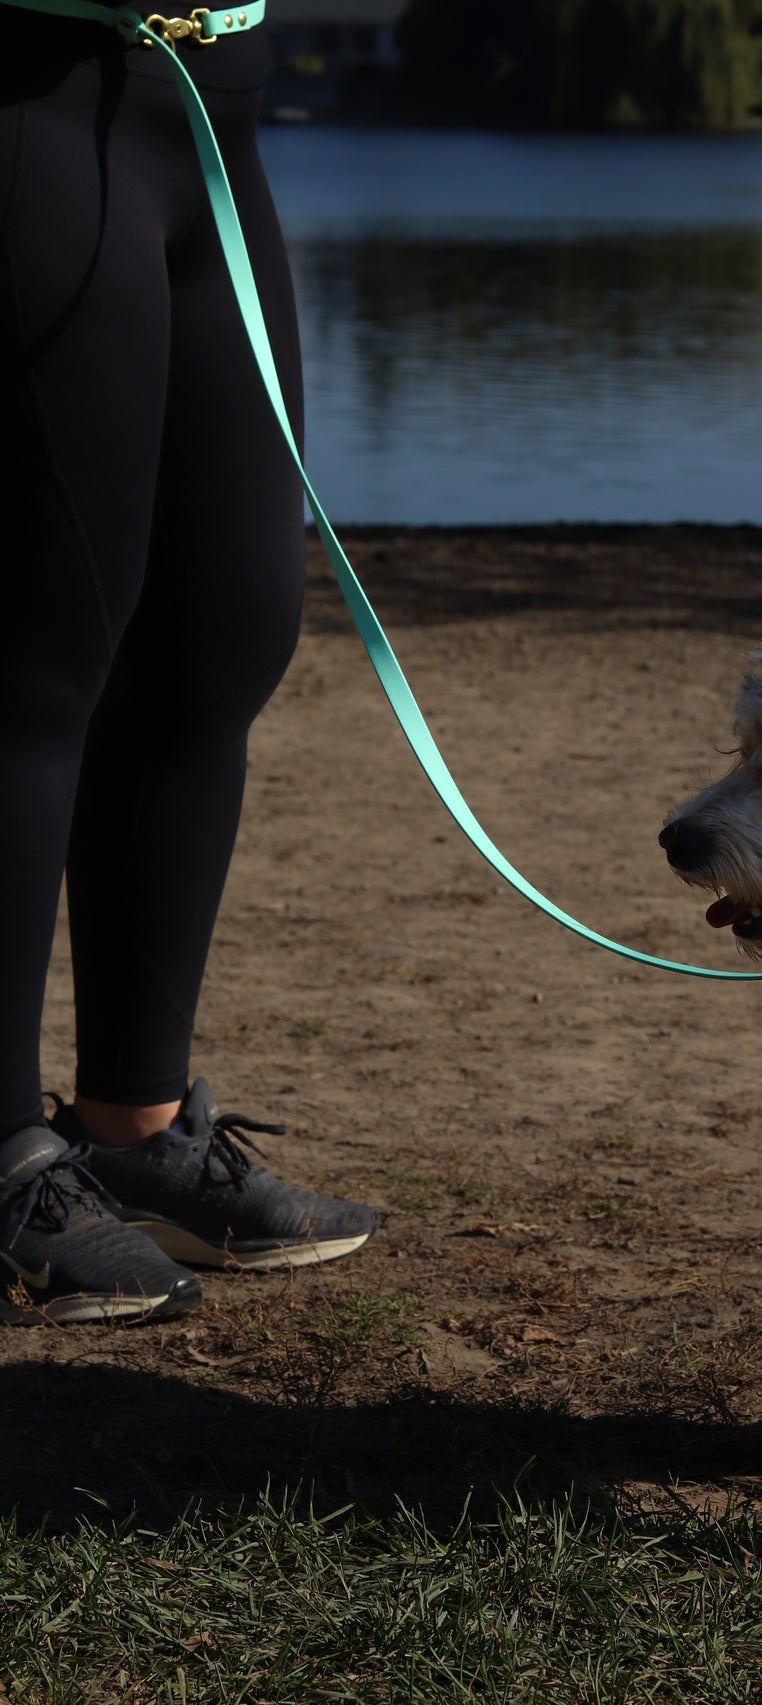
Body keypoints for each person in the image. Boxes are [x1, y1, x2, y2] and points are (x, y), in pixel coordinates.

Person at [0, 5, 379, 1322]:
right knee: (34, 654)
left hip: (209, 91)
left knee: (220, 629)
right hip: (28, 85)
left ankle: (131, 1126)